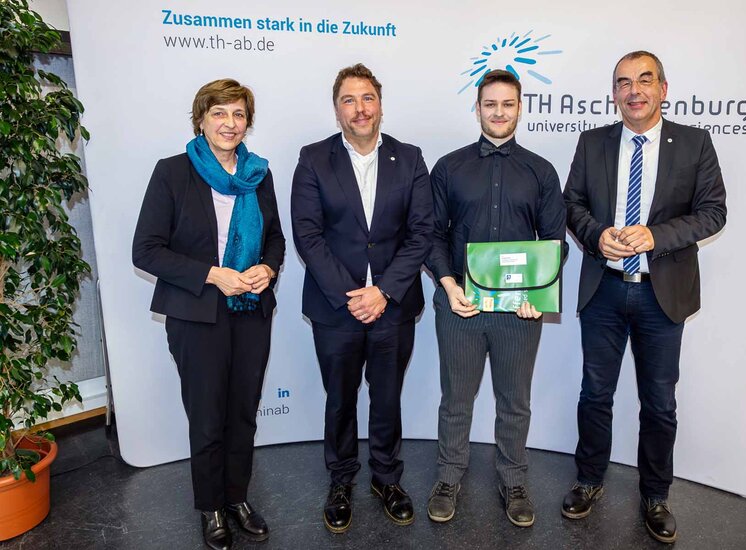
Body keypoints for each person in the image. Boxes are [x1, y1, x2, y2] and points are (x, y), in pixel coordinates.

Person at [560, 51, 727, 543]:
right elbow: (572, 204)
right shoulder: (592, 142)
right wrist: (596, 236)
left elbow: (713, 212)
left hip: (662, 294)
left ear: (663, 89)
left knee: (659, 402)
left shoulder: (694, 143)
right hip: (604, 290)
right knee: (595, 394)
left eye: (644, 80)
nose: (634, 91)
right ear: (614, 93)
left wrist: (656, 236)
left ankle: (655, 495)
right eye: (623, 83)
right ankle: (588, 480)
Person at [132, 79, 285, 550]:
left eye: (238, 114)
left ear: (248, 122)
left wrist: (267, 268)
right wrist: (212, 275)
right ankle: (211, 507)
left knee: (243, 412)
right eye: (219, 113)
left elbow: (276, 238)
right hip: (197, 312)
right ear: (201, 119)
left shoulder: (258, 173)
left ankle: (237, 498)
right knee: (207, 415)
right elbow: (146, 250)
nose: (229, 123)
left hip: (250, 309)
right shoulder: (173, 172)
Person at [290, 63, 432, 533]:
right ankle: (341, 480)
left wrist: (383, 291)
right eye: (348, 100)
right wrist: (353, 296)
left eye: (367, 98)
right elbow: (308, 235)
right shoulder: (313, 159)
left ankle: (387, 479)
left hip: (393, 305)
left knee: (387, 398)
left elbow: (421, 232)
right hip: (337, 308)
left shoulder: (409, 159)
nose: (359, 108)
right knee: (340, 399)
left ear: (380, 105)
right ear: (337, 111)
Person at [425, 69, 567, 528]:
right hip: (460, 307)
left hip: (518, 313)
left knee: (514, 402)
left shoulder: (542, 171)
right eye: (490, 104)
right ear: (478, 108)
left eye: (508, 104)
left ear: (520, 108)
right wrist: (448, 285)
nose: (499, 112)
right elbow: (432, 235)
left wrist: (538, 294)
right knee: (456, 399)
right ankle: (448, 477)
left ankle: (514, 480)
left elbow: (555, 241)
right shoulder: (448, 167)